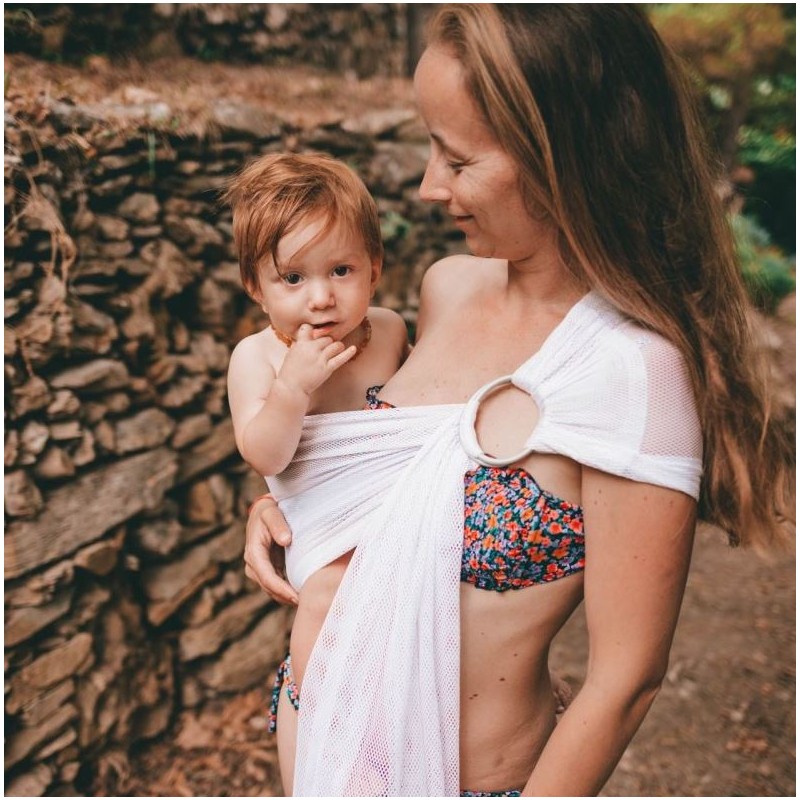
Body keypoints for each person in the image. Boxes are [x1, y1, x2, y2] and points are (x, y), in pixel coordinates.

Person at [244, 5, 793, 796]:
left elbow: (625, 683)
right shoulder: (447, 288)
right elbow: (402, 477)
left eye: (458, 159)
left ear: (563, 157)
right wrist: (294, 501)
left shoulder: (634, 373)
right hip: (318, 734)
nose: (430, 186)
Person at [223, 152, 409, 784]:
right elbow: (265, 454)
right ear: (256, 286)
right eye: (293, 278)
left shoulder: (388, 333)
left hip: (395, 526)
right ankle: (324, 718)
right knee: (328, 605)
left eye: (341, 270)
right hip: (324, 537)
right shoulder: (257, 359)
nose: (322, 297)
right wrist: (291, 391)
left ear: (375, 269)